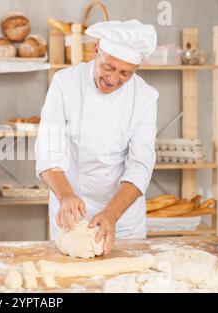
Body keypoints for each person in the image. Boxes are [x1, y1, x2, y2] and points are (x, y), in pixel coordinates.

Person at [35, 20, 158, 255]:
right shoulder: (65, 83)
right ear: (96, 51)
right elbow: (48, 152)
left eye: (125, 73)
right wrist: (66, 196)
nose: (113, 79)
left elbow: (140, 165)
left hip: (121, 218)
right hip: (70, 211)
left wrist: (112, 213)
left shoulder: (144, 97)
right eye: (108, 67)